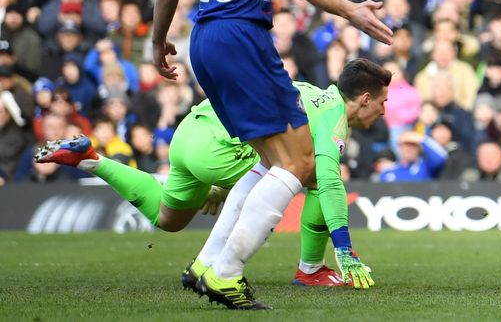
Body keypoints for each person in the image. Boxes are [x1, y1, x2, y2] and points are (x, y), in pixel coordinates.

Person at [150, 0, 392, 309]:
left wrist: (157, 42)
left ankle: (206, 265)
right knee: (300, 161)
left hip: (203, 39)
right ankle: (226, 273)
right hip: (242, 36)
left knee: (270, 159)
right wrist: (349, 9)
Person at [34, 59, 389, 294]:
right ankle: (308, 269)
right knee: (313, 174)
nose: (384, 111)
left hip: (189, 132)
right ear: (365, 98)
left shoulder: (310, 92)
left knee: (167, 217)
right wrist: (344, 248)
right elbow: (329, 182)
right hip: (220, 147)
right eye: (382, 102)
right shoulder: (333, 119)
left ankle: (92, 161)